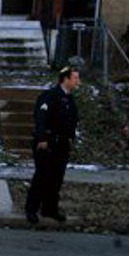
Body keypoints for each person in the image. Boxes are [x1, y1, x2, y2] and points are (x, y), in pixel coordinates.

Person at [24, 63, 81, 224]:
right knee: (42, 176)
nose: (78, 81)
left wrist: (70, 137)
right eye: (75, 78)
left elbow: (72, 121)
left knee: (56, 178)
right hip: (48, 142)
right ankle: (31, 209)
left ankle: (50, 209)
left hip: (61, 144)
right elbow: (40, 117)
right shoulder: (50, 96)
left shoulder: (69, 99)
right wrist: (42, 138)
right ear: (65, 79)